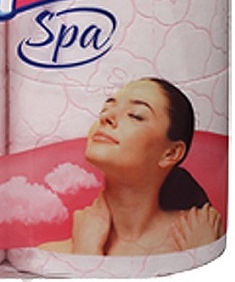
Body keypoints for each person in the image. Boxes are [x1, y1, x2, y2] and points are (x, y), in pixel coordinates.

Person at [40, 78, 224, 256]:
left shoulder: (200, 236)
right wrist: (86, 251)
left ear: (171, 153)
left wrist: (202, 251)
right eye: (105, 109)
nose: (106, 117)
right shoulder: (54, 252)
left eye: (135, 115)